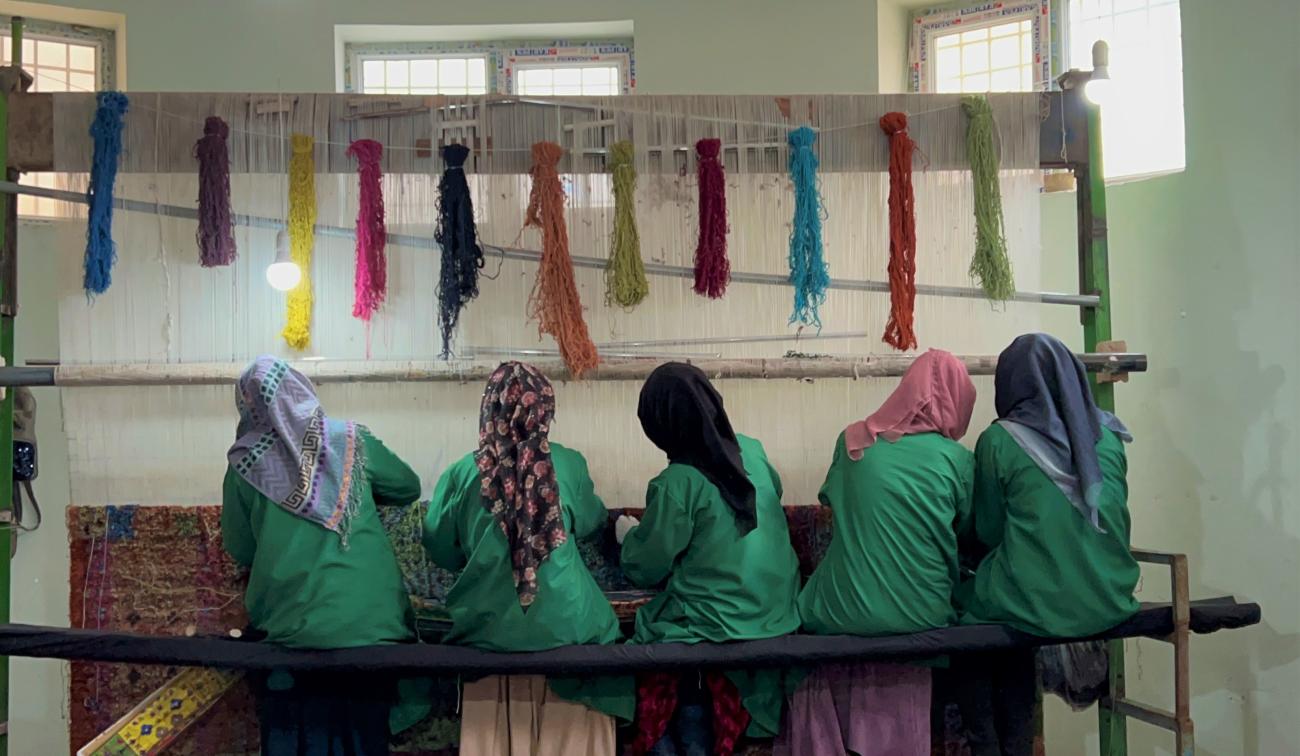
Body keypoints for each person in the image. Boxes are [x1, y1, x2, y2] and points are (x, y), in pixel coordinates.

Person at [221, 355, 426, 756]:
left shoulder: (244, 464)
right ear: (301, 392)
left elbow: (240, 549)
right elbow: (407, 486)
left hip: (293, 635)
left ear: (247, 404)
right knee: (364, 735)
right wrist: (348, 492)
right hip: (372, 630)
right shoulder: (350, 441)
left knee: (295, 729)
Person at [423, 361, 629, 756]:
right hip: (570, 630)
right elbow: (590, 521)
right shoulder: (567, 464)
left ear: (489, 409)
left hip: (489, 636)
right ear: (544, 410)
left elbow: (439, 547)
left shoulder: (463, 473)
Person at [780, 349, 976, 756]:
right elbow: (970, 532)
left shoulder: (853, 441)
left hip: (839, 609)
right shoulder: (959, 462)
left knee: (808, 613)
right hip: (922, 618)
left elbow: (832, 500)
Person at [951, 333, 1138, 756]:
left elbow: (989, 530)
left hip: (1040, 604)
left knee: (968, 619)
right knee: (1014, 610)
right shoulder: (1109, 435)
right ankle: (1020, 746)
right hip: (1111, 596)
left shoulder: (1000, 440)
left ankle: (987, 747)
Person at [618, 362, 801, 755]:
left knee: (647, 642)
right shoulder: (750, 449)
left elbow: (644, 565)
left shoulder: (678, 483)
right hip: (778, 614)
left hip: (721, 627)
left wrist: (626, 535)